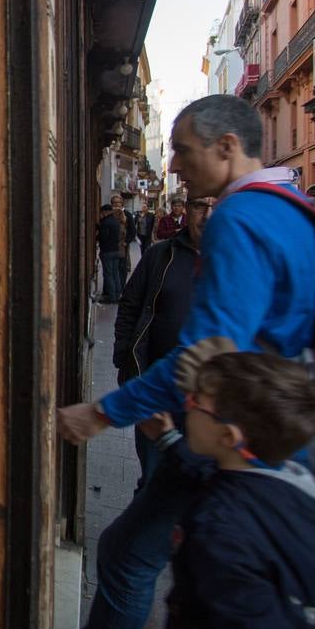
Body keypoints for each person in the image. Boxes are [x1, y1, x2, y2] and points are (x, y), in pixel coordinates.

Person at [56, 94, 315, 629]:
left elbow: (211, 350)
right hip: (270, 435)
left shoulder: (241, 216)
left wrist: (104, 410)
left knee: (144, 563)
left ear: (227, 148)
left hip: (232, 439)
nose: (173, 165)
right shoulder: (292, 209)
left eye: (183, 150)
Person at [156, 351, 315, 629]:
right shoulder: (288, 487)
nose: (186, 403)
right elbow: (216, 478)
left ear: (228, 435)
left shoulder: (220, 530)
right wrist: (170, 440)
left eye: (196, 401)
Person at [113, 197, 211, 489]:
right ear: (186, 211)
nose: (208, 216)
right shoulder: (160, 255)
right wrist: (125, 360)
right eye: (200, 207)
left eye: (218, 207)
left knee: (197, 487)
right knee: (154, 481)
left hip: (209, 404)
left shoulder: (239, 261)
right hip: (156, 393)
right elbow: (130, 305)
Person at [96, 202, 126, 303]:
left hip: (107, 251)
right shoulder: (115, 221)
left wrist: (97, 234)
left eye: (102, 212)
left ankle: (112, 297)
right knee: (115, 273)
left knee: (108, 274)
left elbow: (103, 237)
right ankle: (118, 295)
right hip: (116, 250)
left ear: (105, 212)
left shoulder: (105, 222)